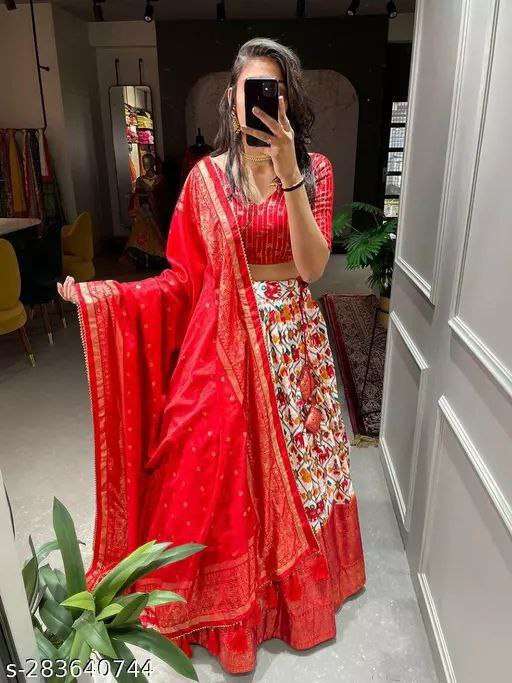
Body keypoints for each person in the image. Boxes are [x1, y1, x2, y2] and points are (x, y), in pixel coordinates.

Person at [58, 37, 366, 675]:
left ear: (288, 100)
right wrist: (111, 297)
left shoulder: (316, 169)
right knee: (208, 459)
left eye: (274, 92)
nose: (262, 102)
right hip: (222, 342)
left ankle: (289, 592)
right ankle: (221, 595)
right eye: (252, 90)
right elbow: (181, 277)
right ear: (232, 99)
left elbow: (312, 267)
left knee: (297, 475)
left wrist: (289, 174)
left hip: (292, 345)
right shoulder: (206, 179)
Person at [123, 152, 170, 270]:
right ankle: (144, 260)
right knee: (142, 234)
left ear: (153, 163)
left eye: (148, 163)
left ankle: (159, 258)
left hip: (157, 213)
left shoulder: (160, 179)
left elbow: (164, 197)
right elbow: (137, 196)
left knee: (159, 236)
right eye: (144, 163)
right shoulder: (140, 180)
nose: (146, 166)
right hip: (144, 213)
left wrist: (154, 200)